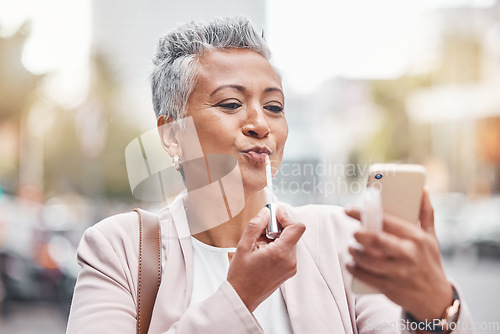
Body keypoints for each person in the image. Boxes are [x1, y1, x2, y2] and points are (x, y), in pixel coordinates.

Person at [67, 16, 474, 333]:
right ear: (173, 135)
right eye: (230, 104)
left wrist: (435, 309)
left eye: (275, 107)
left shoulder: (340, 240)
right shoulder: (120, 250)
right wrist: (239, 296)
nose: (260, 124)